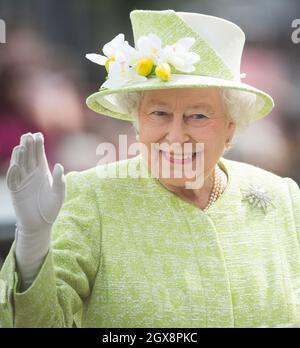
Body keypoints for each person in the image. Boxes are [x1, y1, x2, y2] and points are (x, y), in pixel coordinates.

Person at [0, 9, 300, 328]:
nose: (175, 135)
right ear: (137, 122)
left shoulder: (283, 198)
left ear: (230, 128)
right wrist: (33, 244)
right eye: (158, 113)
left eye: (197, 116)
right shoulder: (90, 198)